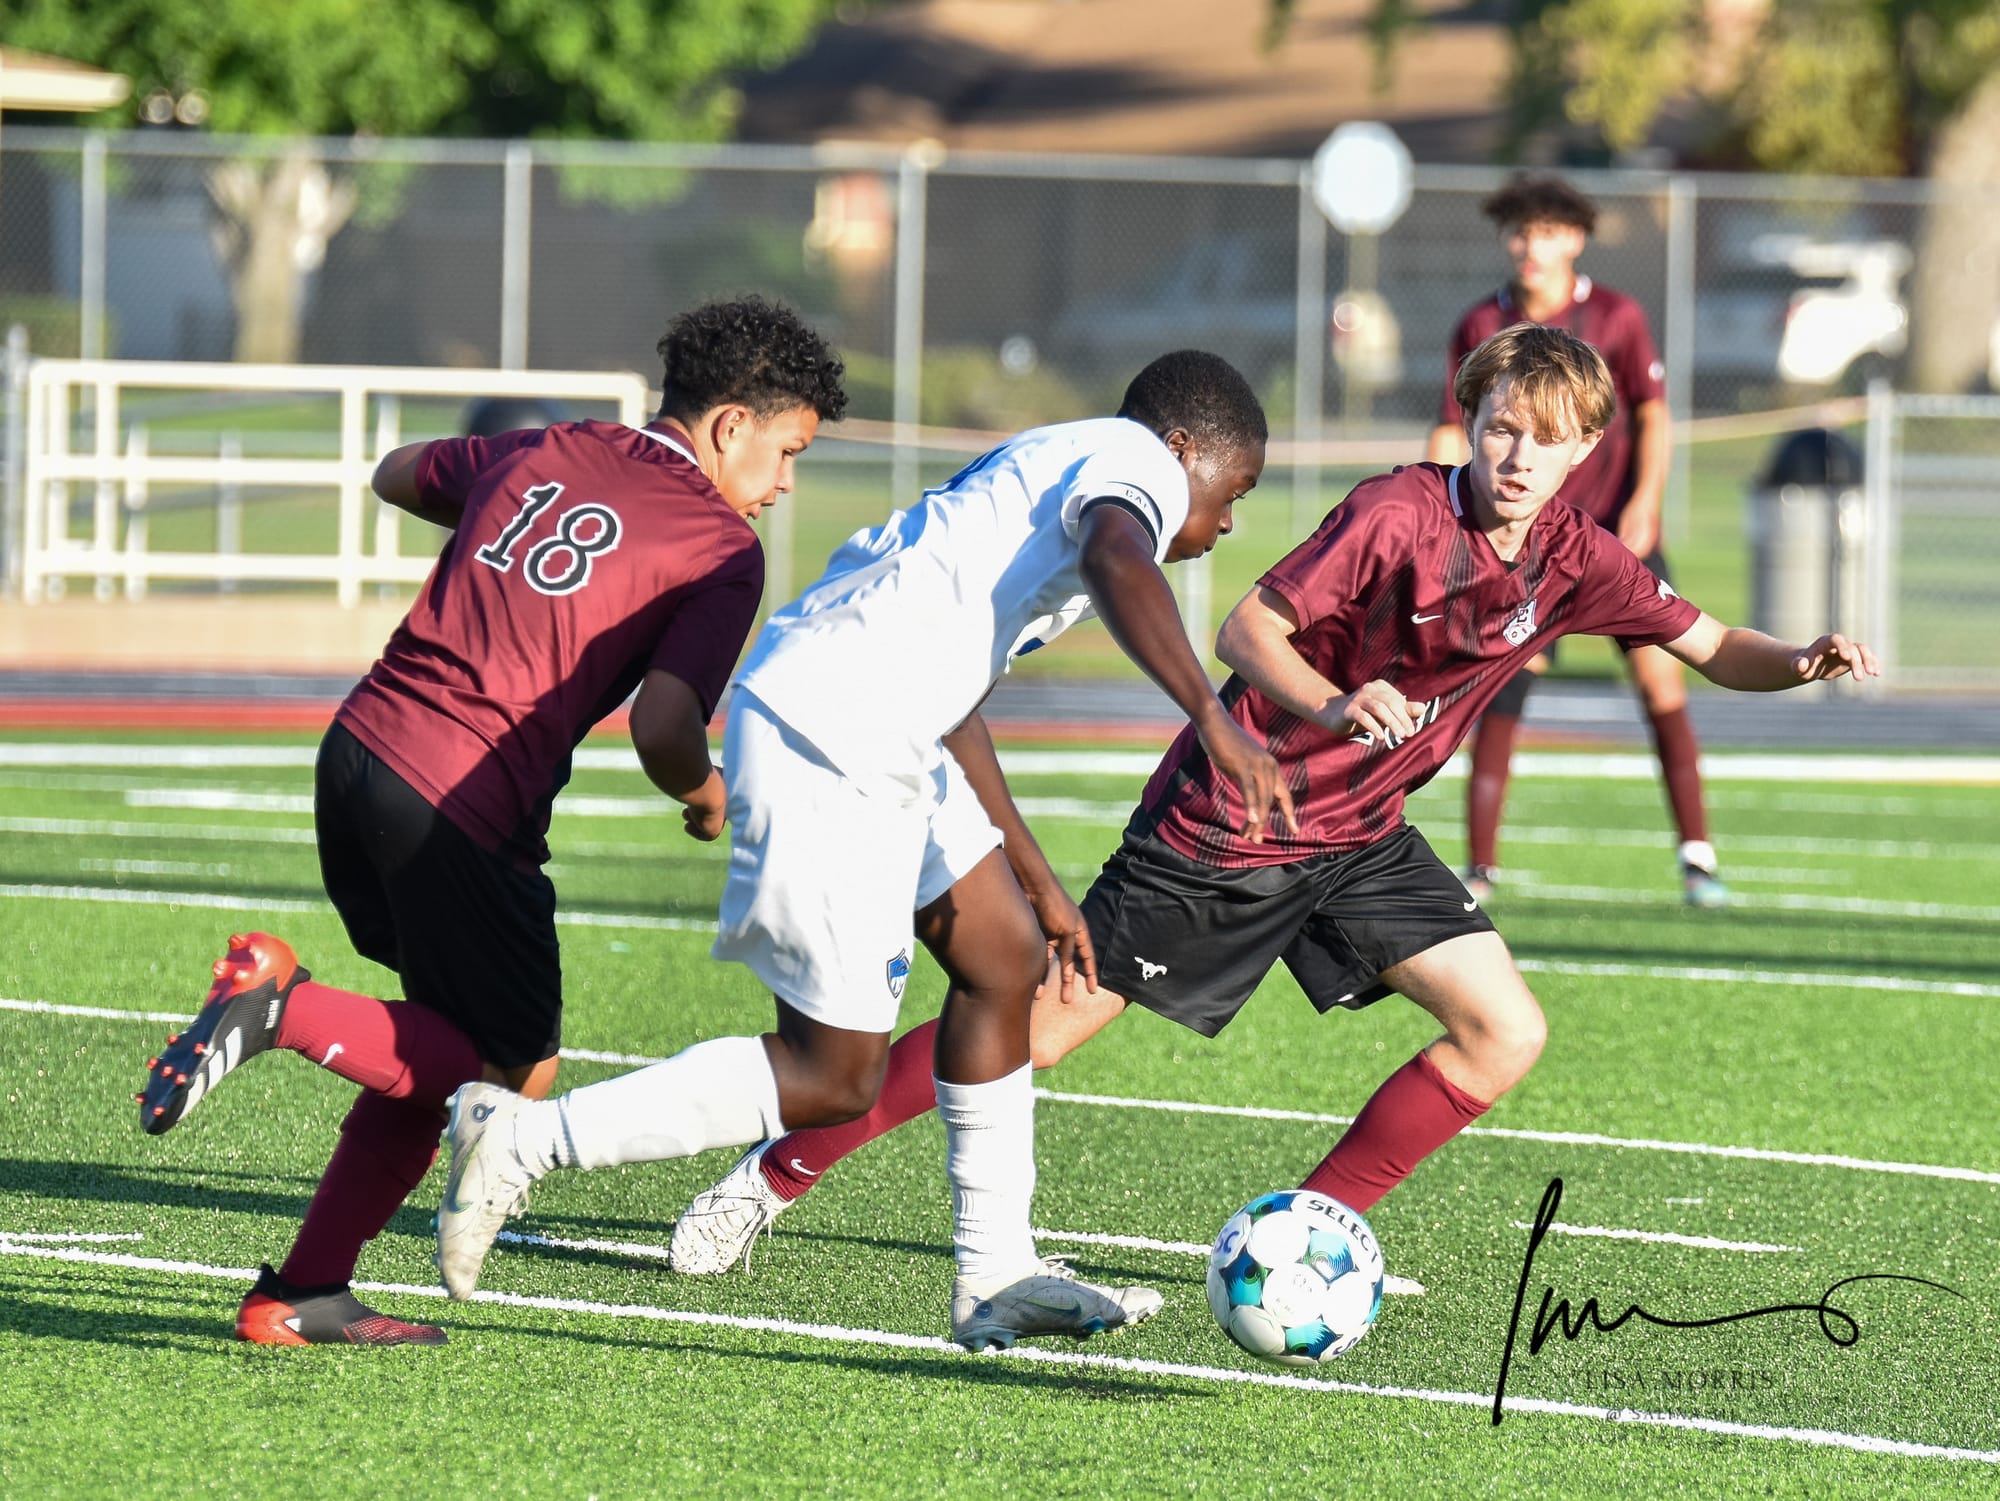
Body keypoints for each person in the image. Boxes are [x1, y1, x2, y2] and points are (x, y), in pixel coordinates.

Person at [667, 323, 1878, 1285]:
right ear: (1467, 422)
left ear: (1584, 452)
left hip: (1360, 838)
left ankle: (1308, 1235)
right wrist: (1336, 702)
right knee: (1027, 1032)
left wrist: (1801, 659)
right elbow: (1249, 629)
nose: (1515, 456)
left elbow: (1709, 643)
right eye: (1498, 427)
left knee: (1503, 1030)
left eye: (1543, 439)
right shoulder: (1398, 513)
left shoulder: (1576, 555)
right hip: (1228, 828)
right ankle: (771, 1175)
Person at [430, 350, 1293, 1352]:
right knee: (832, 1074)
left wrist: (1037, 878)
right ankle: (525, 1138)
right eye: (1233, 492)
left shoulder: (1053, 467)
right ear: (1181, 449)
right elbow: (1116, 556)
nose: (1226, 522)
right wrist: (1211, 719)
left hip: (880, 714)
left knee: (1003, 957)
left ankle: (995, 1271)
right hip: (836, 721)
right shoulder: (1133, 462)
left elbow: (954, 698)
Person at [135, 295, 847, 1345]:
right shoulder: (719, 547)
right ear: (732, 424)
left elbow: (395, 473)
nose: (783, 485)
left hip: (360, 749)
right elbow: (664, 724)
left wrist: (505, 519)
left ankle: (304, 1290)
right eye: (787, 453)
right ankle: (284, 1006)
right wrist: (707, 795)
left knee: (448, 1045)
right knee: (510, 1075)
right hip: (465, 800)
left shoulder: (552, 445)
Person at [1425, 174, 1726, 908]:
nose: (1533, 246)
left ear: (1577, 240)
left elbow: (1652, 414)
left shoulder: (1616, 317)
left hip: (1613, 537)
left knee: (1661, 681)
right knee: (1501, 687)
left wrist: (1646, 502)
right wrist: (1439, 523)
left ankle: (1697, 856)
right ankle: (1481, 867)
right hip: (1519, 543)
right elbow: (1449, 430)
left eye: (1549, 232)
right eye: (1521, 231)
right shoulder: (1480, 324)